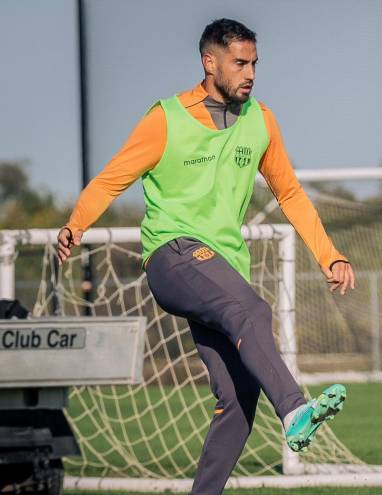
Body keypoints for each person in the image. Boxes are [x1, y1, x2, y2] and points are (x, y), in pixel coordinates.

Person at [56, 18, 354, 495]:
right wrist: (76, 223)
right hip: (171, 257)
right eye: (240, 62)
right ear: (209, 62)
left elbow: (291, 193)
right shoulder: (165, 118)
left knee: (239, 396)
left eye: (255, 62)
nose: (250, 72)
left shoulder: (262, 121)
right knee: (252, 309)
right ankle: (296, 408)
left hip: (222, 268)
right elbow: (113, 177)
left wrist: (329, 255)